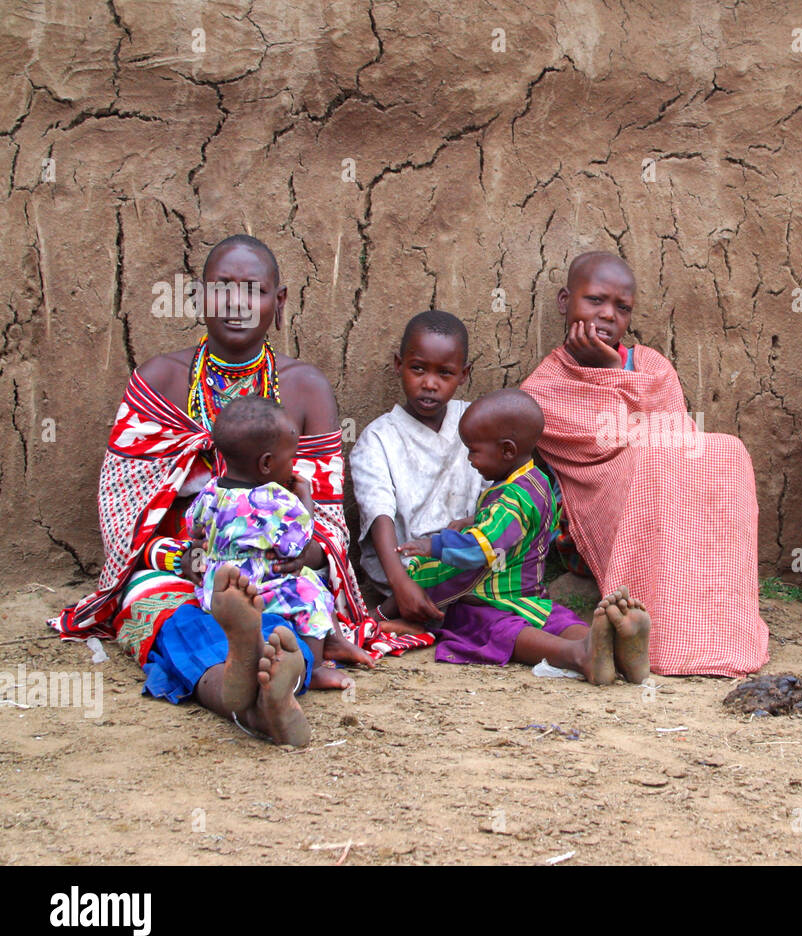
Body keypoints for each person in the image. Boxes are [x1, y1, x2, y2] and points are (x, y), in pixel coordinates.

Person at [50, 234, 373, 745]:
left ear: (279, 301)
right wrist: (186, 561)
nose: (239, 304)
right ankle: (257, 691)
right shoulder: (159, 380)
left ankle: (253, 686)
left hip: (275, 570)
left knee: (295, 612)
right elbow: (125, 521)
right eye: (223, 289)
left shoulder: (305, 388)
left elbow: (327, 521)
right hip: (180, 571)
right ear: (199, 298)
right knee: (161, 611)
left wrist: (304, 554)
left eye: (255, 291)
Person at [521, 251, 769, 678]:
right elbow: (610, 440)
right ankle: (658, 636)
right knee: (653, 459)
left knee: (727, 451)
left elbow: (680, 435)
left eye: (622, 308)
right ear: (565, 302)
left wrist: (617, 372)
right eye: (594, 301)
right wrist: (612, 373)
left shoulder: (652, 364)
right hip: (607, 510)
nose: (607, 315)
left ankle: (725, 626)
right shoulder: (545, 385)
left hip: (672, 500)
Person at [380, 388, 651, 685]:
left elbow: (481, 548)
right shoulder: (538, 482)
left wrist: (432, 545)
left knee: (495, 630)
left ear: (507, 450)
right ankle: (611, 650)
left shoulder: (510, 498)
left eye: (473, 450)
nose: (469, 459)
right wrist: (476, 519)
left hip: (493, 598)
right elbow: (529, 526)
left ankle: (578, 655)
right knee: (556, 620)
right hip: (532, 597)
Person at [189, 396, 354, 692]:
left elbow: (194, 528)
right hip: (260, 586)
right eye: (290, 458)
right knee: (311, 589)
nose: (292, 466)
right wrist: (305, 498)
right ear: (266, 463)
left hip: (214, 589)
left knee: (305, 581)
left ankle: (334, 640)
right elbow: (297, 544)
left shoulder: (211, 491)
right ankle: (314, 667)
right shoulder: (275, 502)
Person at [350, 310, 486, 627]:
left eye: (444, 373)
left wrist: (470, 522)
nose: (429, 383)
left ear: (464, 374)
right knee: (479, 612)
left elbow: (498, 494)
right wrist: (401, 584)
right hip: (405, 569)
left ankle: (392, 619)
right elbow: (379, 515)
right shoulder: (378, 439)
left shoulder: (476, 423)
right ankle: (399, 609)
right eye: (418, 369)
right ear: (399, 365)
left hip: (467, 556)